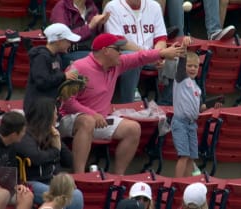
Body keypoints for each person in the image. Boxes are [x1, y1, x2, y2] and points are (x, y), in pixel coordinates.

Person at [58, 33, 184, 174]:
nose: (121, 52)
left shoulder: (117, 64)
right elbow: (67, 103)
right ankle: (79, 176)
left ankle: (118, 178)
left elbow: (139, 57)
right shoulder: (79, 67)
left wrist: (162, 53)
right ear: (105, 50)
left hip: (100, 119)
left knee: (133, 128)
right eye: (117, 49)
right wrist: (92, 115)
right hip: (70, 119)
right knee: (87, 122)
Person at [15, 98, 84, 209]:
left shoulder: (52, 134)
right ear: (47, 116)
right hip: (31, 182)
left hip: (52, 180)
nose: (57, 117)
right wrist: (55, 150)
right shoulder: (25, 134)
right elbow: (36, 158)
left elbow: (69, 161)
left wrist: (58, 141)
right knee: (64, 198)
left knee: (77, 195)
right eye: (55, 114)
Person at [172, 38, 221, 177]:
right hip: (180, 122)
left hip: (192, 124)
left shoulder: (197, 88)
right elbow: (181, 61)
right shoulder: (181, 78)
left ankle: (187, 183)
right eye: (190, 65)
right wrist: (184, 47)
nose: (193, 68)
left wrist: (213, 104)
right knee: (183, 155)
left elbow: (201, 108)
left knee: (191, 157)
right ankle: (178, 182)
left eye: (196, 66)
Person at [103, 0, 169, 103]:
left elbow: (161, 38)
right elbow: (119, 41)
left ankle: (166, 105)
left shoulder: (154, 6)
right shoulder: (112, 7)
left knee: (176, 59)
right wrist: (150, 55)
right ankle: (127, 105)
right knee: (132, 58)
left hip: (152, 56)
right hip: (125, 53)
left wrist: (158, 55)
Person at [23, 23, 80, 113]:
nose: (70, 44)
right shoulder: (41, 57)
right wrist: (64, 76)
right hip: (38, 108)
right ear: (58, 41)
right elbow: (41, 81)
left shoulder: (57, 57)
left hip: (50, 106)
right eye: (68, 41)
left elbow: (54, 80)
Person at [0, 111, 33, 209]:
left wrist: (18, 185)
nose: (24, 134)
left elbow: (11, 172)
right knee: (2, 194)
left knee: (26, 196)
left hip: (0, 187)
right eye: (23, 131)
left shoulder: (11, 147)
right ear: (14, 134)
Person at [50, 0, 110, 68]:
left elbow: (96, 34)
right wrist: (89, 27)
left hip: (91, 49)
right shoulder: (62, 6)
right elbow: (62, 36)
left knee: (115, 57)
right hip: (70, 51)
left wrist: (100, 25)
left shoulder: (90, 5)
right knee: (103, 59)